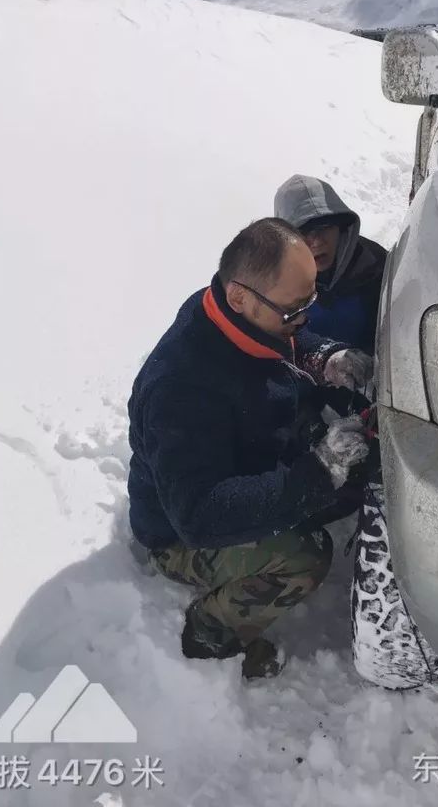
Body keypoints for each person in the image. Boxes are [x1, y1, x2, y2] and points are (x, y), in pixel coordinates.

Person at [127, 218, 375, 679]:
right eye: (293, 311)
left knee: (354, 474)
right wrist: (319, 473)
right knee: (305, 555)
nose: (302, 321)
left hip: (247, 458)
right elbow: (200, 515)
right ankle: (209, 634)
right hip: (181, 532)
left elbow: (287, 338)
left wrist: (327, 358)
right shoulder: (182, 390)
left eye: (310, 302)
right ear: (240, 296)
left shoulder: (230, 309)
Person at [273, 174, 388, 355]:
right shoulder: (273, 282)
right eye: (304, 232)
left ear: (340, 227)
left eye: (325, 227)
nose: (317, 242)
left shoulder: (373, 264)